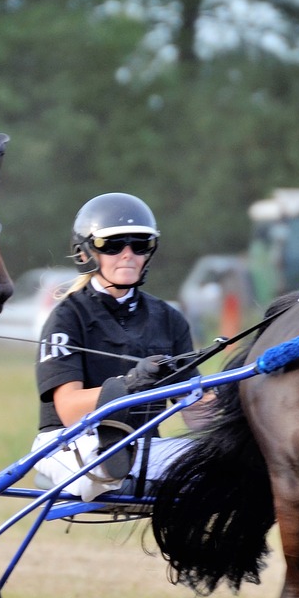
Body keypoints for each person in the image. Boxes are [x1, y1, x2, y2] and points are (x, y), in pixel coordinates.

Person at [32, 192, 206, 500]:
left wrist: (242, 396)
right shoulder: (67, 317)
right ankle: (115, 470)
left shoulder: (169, 319)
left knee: (228, 464)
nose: (127, 254)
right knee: (103, 466)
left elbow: (196, 414)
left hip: (143, 446)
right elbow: (69, 409)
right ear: (86, 252)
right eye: (112, 245)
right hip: (69, 442)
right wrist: (129, 384)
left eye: (139, 245)